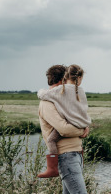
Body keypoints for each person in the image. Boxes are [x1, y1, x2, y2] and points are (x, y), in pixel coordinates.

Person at [37, 64, 90, 194]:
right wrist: (82, 130)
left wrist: (84, 124)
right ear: (62, 81)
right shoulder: (47, 103)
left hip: (75, 154)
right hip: (66, 156)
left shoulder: (62, 100)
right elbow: (63, 129)